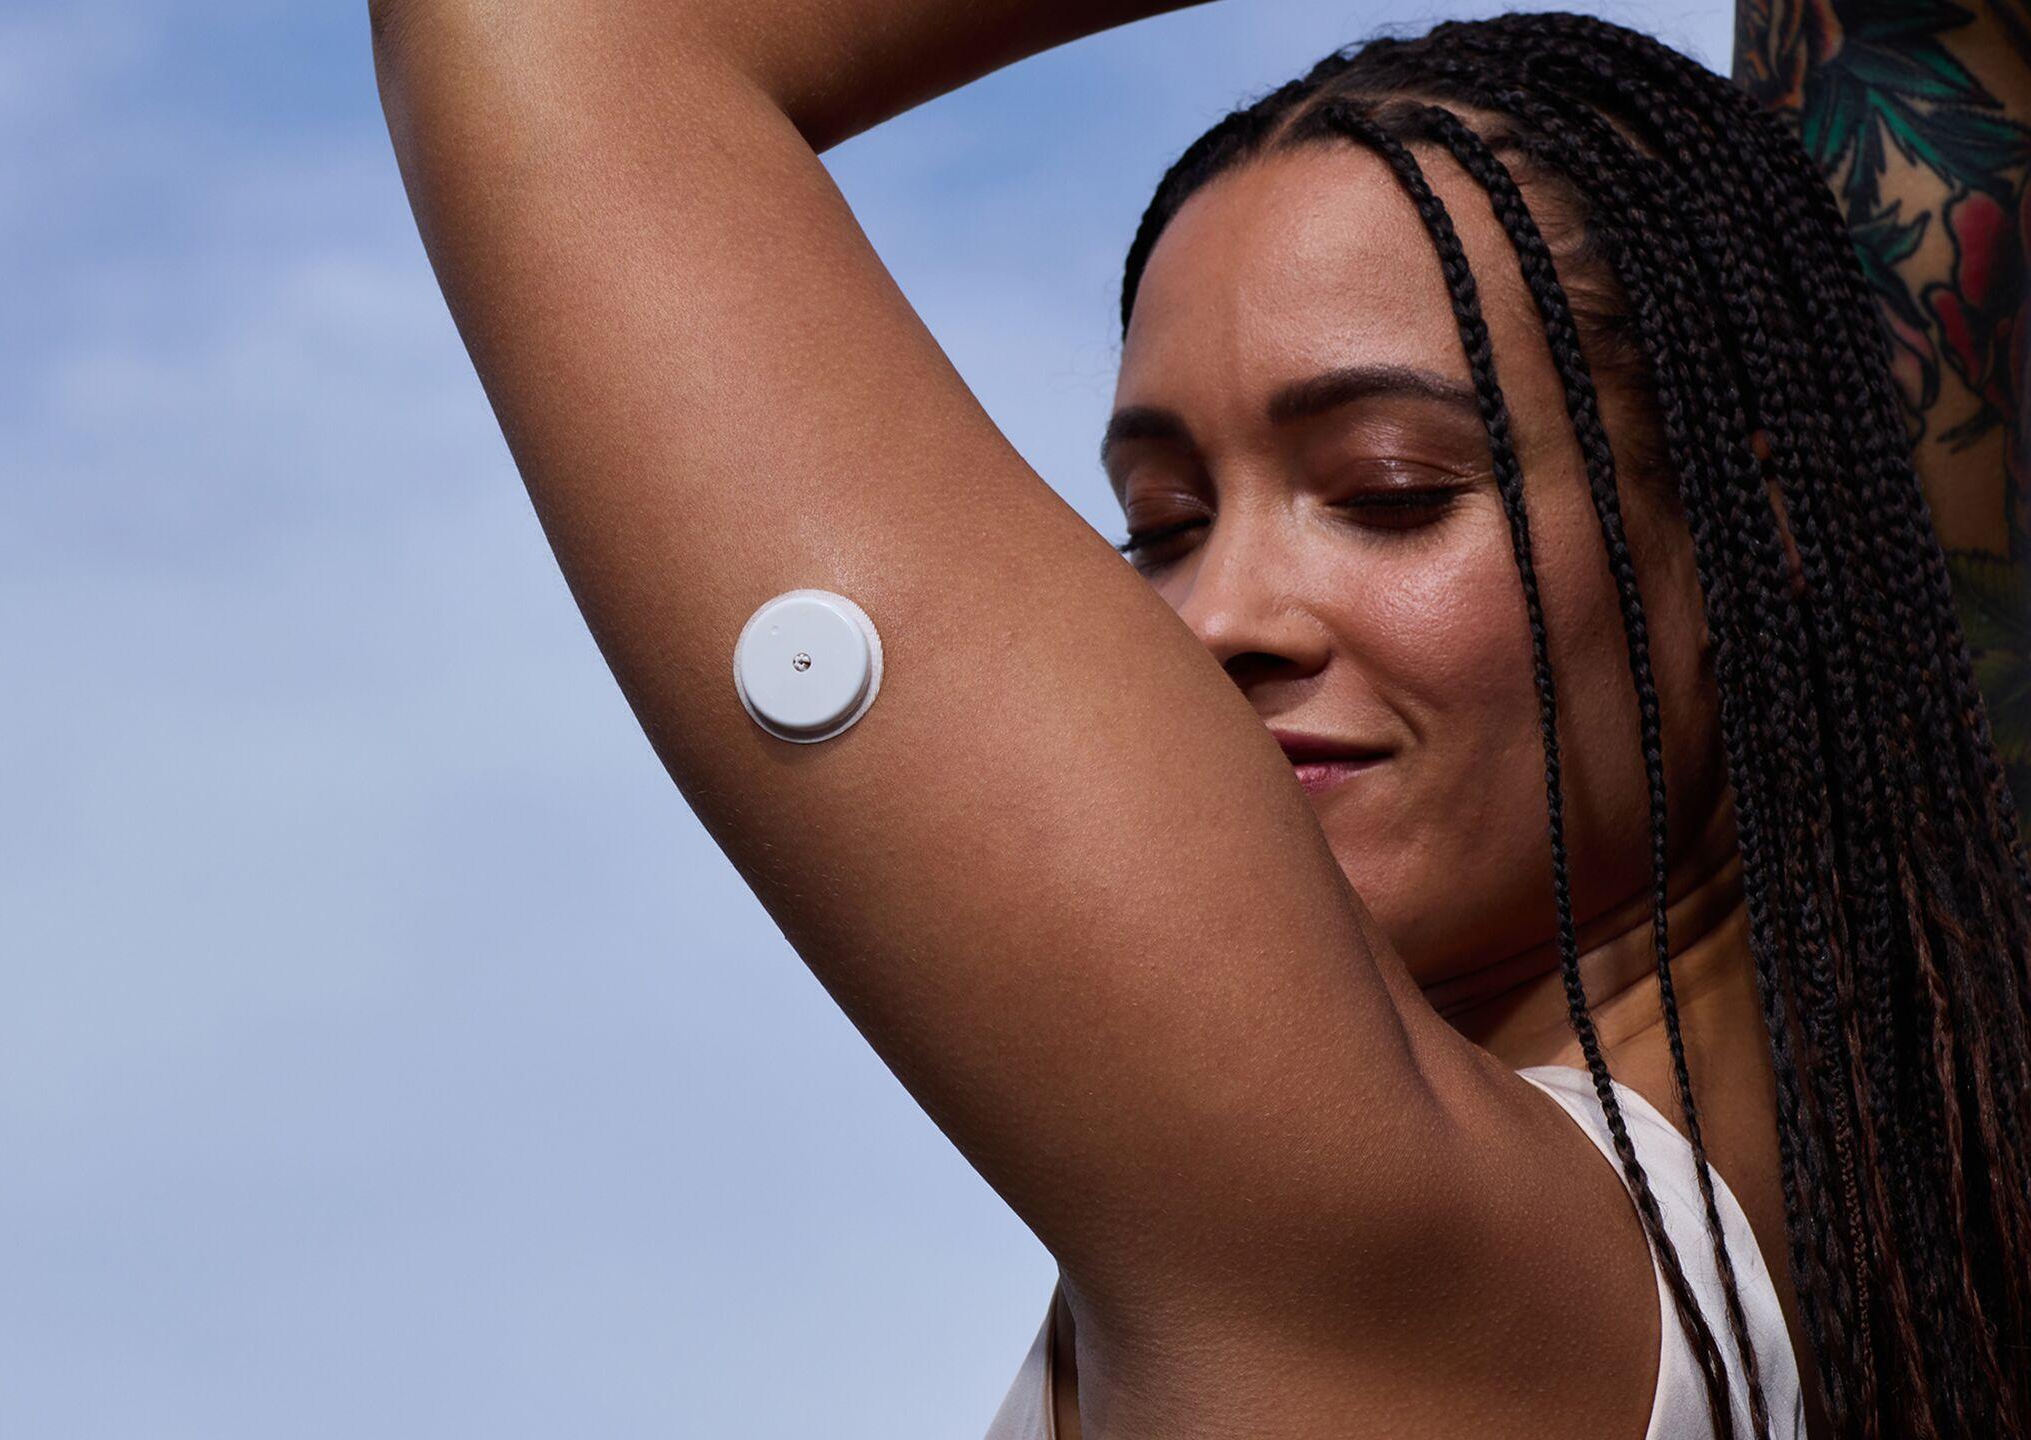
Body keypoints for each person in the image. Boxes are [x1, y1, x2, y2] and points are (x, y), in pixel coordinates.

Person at [368, 2, 2031, 1435]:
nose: (1214, 622)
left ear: (1771, 531)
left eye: (1389, 491)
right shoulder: (1924, 1167)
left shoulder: (1368, 1244)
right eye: (1157, 529)